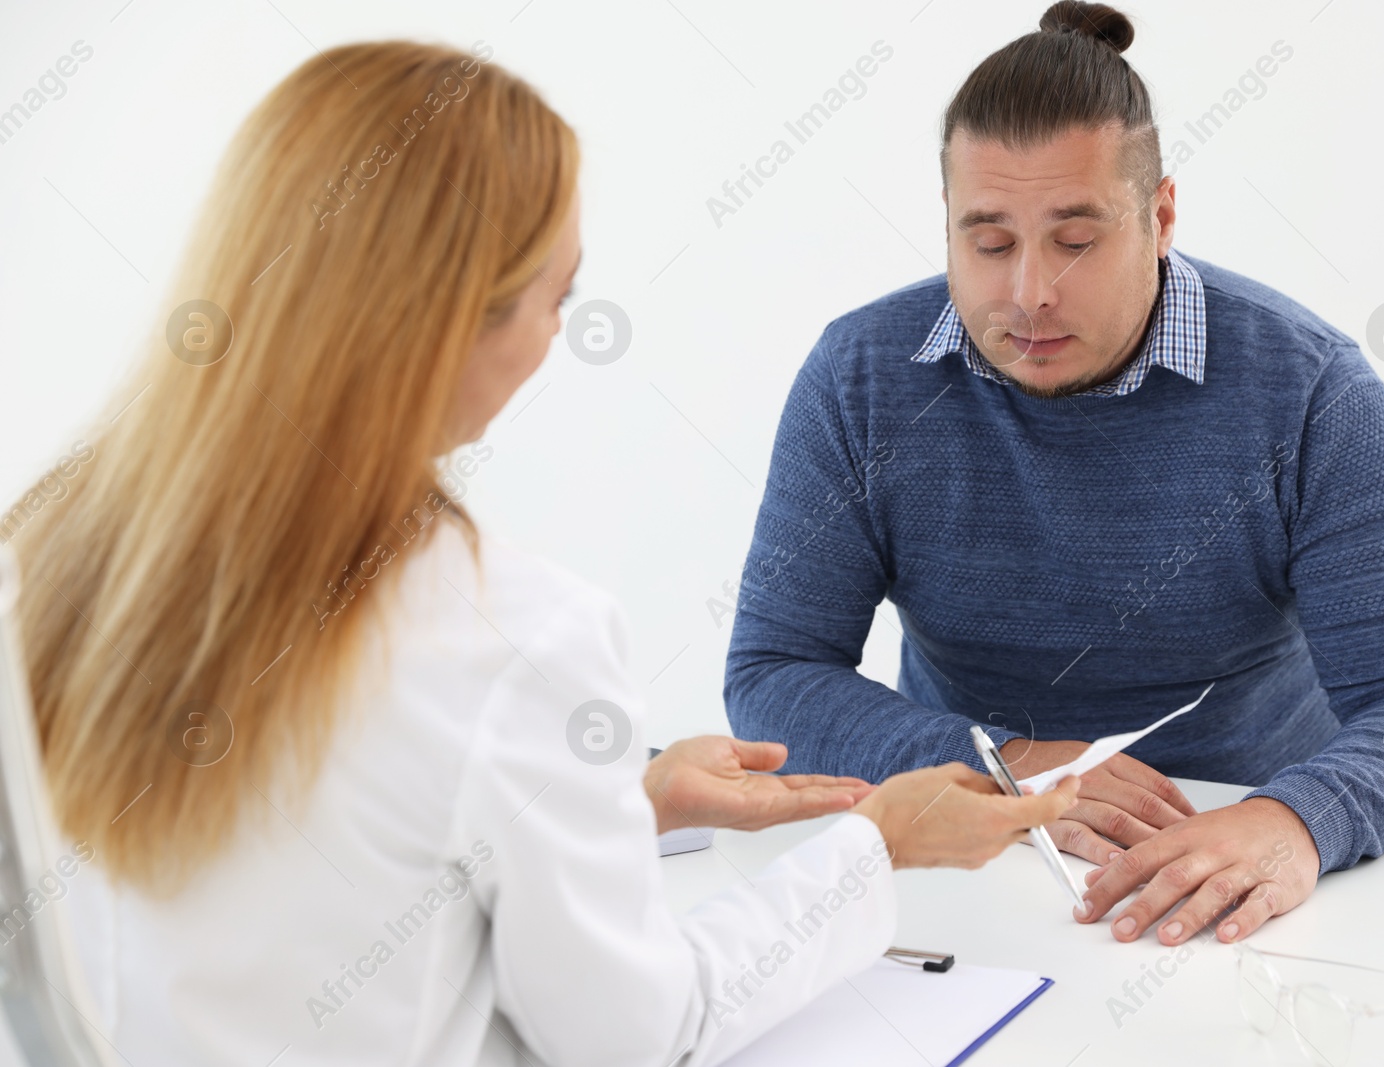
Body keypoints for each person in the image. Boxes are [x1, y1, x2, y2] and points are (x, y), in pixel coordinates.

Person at [8, 41, 1078, 1066]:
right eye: (554, 297)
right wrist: (876, 845)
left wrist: (620, 802)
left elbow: (327, 859)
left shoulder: (44, 550)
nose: (559, 337)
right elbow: (638, 1033)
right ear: (443, 326)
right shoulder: (506, 634)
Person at [725, 0, 1384, 950]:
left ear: (1161, 214)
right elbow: (773, 672)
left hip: (1232, 874)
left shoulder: (1313, 393)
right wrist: (1004, 766)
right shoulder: (860, 378)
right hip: (967, 860)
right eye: (991, 240)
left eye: (1077, 239)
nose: (1029, 292)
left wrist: (1294, 822)